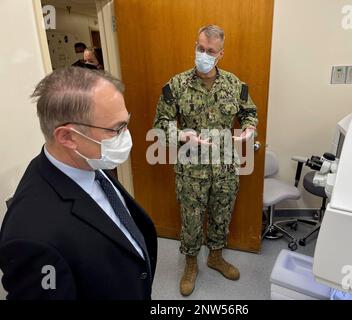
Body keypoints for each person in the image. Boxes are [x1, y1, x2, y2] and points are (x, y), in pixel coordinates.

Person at [0, 67, 157, 299]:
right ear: (67, 137)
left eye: (126, 123)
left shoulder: (87, 162)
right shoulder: (33, 239)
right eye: (116, 129)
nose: (126, 136)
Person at [153, 25, 258, 296]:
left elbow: (249, 112)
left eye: (210, 51)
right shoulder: (176, 85)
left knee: (222, 215)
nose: (204, 54)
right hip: (191, 168)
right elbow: (161, 123)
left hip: (225, 166)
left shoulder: (235, 85)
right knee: (191, 219)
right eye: (200, 48)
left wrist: (249, 128)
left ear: (220, 53)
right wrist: (183, 136)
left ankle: (215, 257)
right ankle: (191, 265)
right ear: (195, 45)